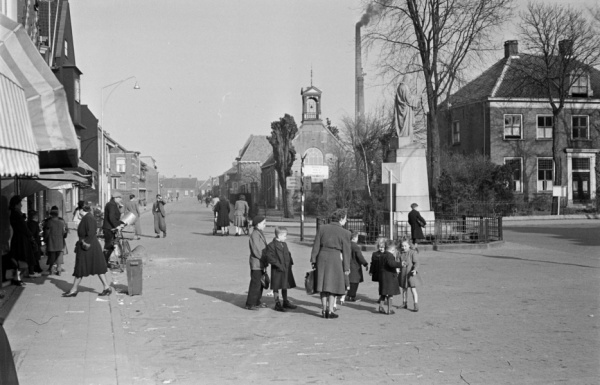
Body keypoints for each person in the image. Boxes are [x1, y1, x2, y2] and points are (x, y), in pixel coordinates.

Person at [63, 203, 112, 297]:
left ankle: (74, 290)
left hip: (88, 246)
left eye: (77, 211)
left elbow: (91, 232)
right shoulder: (88, 217)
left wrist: (85, 243)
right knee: (97, 266)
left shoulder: (88, 218)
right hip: (90, 246)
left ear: (81, 210)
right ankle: (106, 287)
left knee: (81, 267)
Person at [310, 208, 351, 319]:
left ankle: (324, 310)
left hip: (322, 257)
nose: (346, 221)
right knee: (333, 285)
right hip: (335, 258)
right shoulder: (345, 233)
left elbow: (316, 245)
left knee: (322, 285)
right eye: (345, 219)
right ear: (341, 219)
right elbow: (347, 252)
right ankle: (330, 310)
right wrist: (346, 267)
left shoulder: (322, 228)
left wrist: (313, 260)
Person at [264, 227, 297, 312]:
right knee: (276, 286)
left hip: (285, 268)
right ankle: (277, 303)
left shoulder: (284, 244)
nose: (286, 238)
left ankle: (285, 301)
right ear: (280, 235)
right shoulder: (271, 245)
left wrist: (290, 262)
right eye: (285, 236)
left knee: (284, 285)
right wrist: (278, 265)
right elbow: (269, 257)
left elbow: (288, 254)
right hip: (277, 269)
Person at [7, 195, 36, 285]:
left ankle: (17, 278)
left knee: (19, 260)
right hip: (21, 240)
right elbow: (23, 228)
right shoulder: (16, 214)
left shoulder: (15, 213)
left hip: (19, 239)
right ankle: (16, 278)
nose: (21, 205)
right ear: (15, 205)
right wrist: (31, 235)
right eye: (20, 204)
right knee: (21, 260)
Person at [245, 215, 268, 310]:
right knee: (255, 283)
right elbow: (256, 250)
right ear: (258, 224)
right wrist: (264, 258)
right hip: (257, 263)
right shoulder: (255, 234)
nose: (265, 225)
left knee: (260, 283)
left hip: (261, 263)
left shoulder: (259, 233)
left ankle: (257, 301)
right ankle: (250, 303)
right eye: (264, 223)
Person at [377, 240, 405, 315]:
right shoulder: (390, 255)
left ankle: (381, 307)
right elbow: (391, 264)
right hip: (389, 277)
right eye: (393, 250)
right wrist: (400, 264)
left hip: (382, 276)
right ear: (391, 249)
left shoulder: (381, 255)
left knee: (383, 293)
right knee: (390, 293)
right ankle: (390, 309)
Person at [44, 206, 68, 276]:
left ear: (51, 214)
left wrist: (45, 239)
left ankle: (51, 269)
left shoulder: (49, 222)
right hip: (60, 241)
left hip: (51, 241)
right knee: (59, 255)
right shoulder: (61, 222)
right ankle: (59, 269)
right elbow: (64, 232)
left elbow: (47, 233)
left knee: (52, 255)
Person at [103, 192, 125, 264]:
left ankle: (105, 261)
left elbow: (117, 215)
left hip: (111, 227)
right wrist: (117, 226)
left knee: (111, 246)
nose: (120, 200)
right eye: (119, 198)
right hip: (109, 228)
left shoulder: (114, 204)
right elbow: (111, 217)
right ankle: (103, 262)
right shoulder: (111, 205)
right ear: (115, 198)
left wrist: (120, 207)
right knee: (109, 246)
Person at [346, 230, 369, 302]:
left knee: (349, 281)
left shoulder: (347, 244)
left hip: (348, 265)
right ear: (355, 238)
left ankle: (348, 295)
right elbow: (359, 256)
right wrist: (365, 263)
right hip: (355, 266)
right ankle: (351, 296)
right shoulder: (356, 247)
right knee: (355, 282)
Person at [398, 240, 420, 312]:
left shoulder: (412, 253)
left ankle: (415, 304)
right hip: (403, 274)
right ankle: (404, 303)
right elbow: (397, 263)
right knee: (404, 289)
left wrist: (415, 270)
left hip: (410, 274)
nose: (403, 247)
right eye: (402, 246)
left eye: (405, 246)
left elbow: (416, 263)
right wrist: (397, 269)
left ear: (409, 245)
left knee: (413, 289)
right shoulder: (399, 253)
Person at [26, 210, 43, 275]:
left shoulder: (29, 223)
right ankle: (34, 270)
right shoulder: (33, 224)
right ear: (35, 217)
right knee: (34, 256)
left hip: (33, 242)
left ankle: (36, 268)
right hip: (34, 242)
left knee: (35, 256)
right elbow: (32, 233)